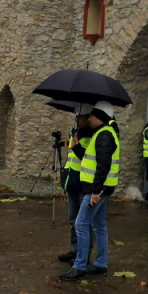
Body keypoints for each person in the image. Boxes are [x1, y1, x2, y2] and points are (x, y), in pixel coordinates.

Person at [60, 100, 120, 281]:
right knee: (99, 225)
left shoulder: (104, 135)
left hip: (96, 190)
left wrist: (95, 191)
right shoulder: (103, 133)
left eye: (92, 115)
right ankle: (100, 264)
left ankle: (80, 267)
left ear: (100, 117)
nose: (90, 118)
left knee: (81, 224)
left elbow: (103, 165)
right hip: (100, 188)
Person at [57, 106, 95, 264]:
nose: (76, 120)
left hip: (84, 183)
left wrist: (77, 145)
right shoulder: (76, 133)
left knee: (84, 222)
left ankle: (84, 254)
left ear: (87, 118)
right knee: (73, 220)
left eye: (79, 117)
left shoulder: (93, 136)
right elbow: (72, 158)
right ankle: (75, 249)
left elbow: (86, 157)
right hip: (72, 181)